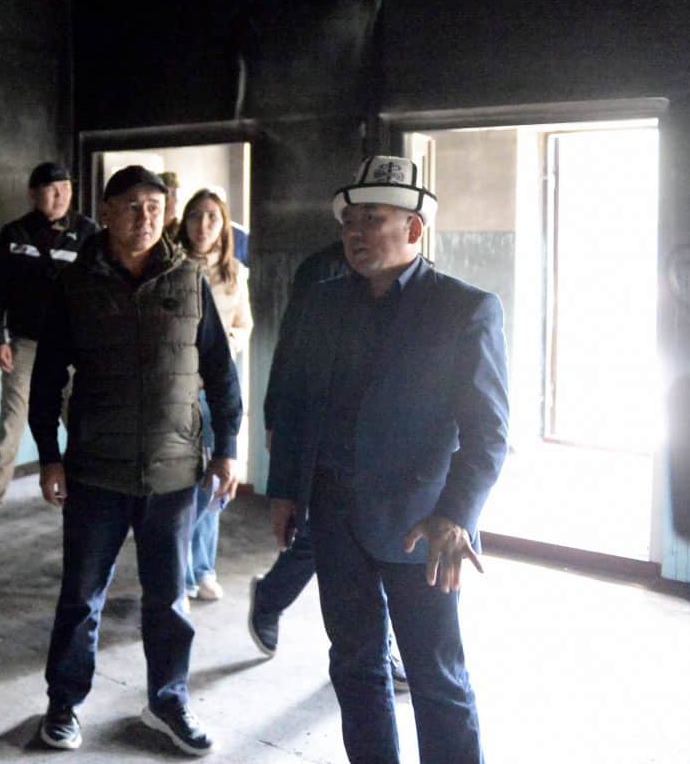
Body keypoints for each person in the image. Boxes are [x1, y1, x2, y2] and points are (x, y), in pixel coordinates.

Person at [266, 155, 509, 764]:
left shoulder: (464, 308)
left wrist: (456, 515)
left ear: (414, 229)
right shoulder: (324, 302)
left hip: (421, 526)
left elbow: (489, 433)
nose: (355, 232)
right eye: (350, 221)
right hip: (334, 517)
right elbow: (296, 403)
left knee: (435, 676)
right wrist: (286, 490)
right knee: (354, 665)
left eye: (372, 219)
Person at [29, 164, 243, 757]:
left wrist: (227, 448)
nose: (145, 217)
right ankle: (64, 704)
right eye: (131, 206)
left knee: (169, 600)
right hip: (95, 470)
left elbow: (220, 371)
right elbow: (46, 378)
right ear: (106, 212)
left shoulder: (189, 278)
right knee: (81, 597)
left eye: (154, 206)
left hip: (174, 473)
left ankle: (167, 701)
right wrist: (48, 456)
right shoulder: (76, 284)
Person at [248, 241, 409, 689]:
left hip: (379, 444)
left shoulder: (412, 277)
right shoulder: (322, 270)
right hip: (325, 432)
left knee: (372, 543)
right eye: (359, 216)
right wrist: (276, 420)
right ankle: (271, 598)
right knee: (316, 534)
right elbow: (292, 350)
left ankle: (377, 649)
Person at [0, 160, 97, 537]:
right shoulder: (15, 234)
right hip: (27, 345)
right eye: (51, 188)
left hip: (76, 348)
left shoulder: (89, 234)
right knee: (12, 424)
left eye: (66, 188)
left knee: (82, 423)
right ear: (33, 193)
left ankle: (91, 499)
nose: (60, 195)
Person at [176, 188, 253, 603]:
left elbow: (243, 325)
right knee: (180, 485)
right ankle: (180, 573)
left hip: (215, 390)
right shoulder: (171, 266)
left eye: (211, 217)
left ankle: (203, 567)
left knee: (215, 481)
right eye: (195, 216)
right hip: (179, 389)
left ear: (223, 225)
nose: (203, 225)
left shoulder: (235, 273)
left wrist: (223, 348)